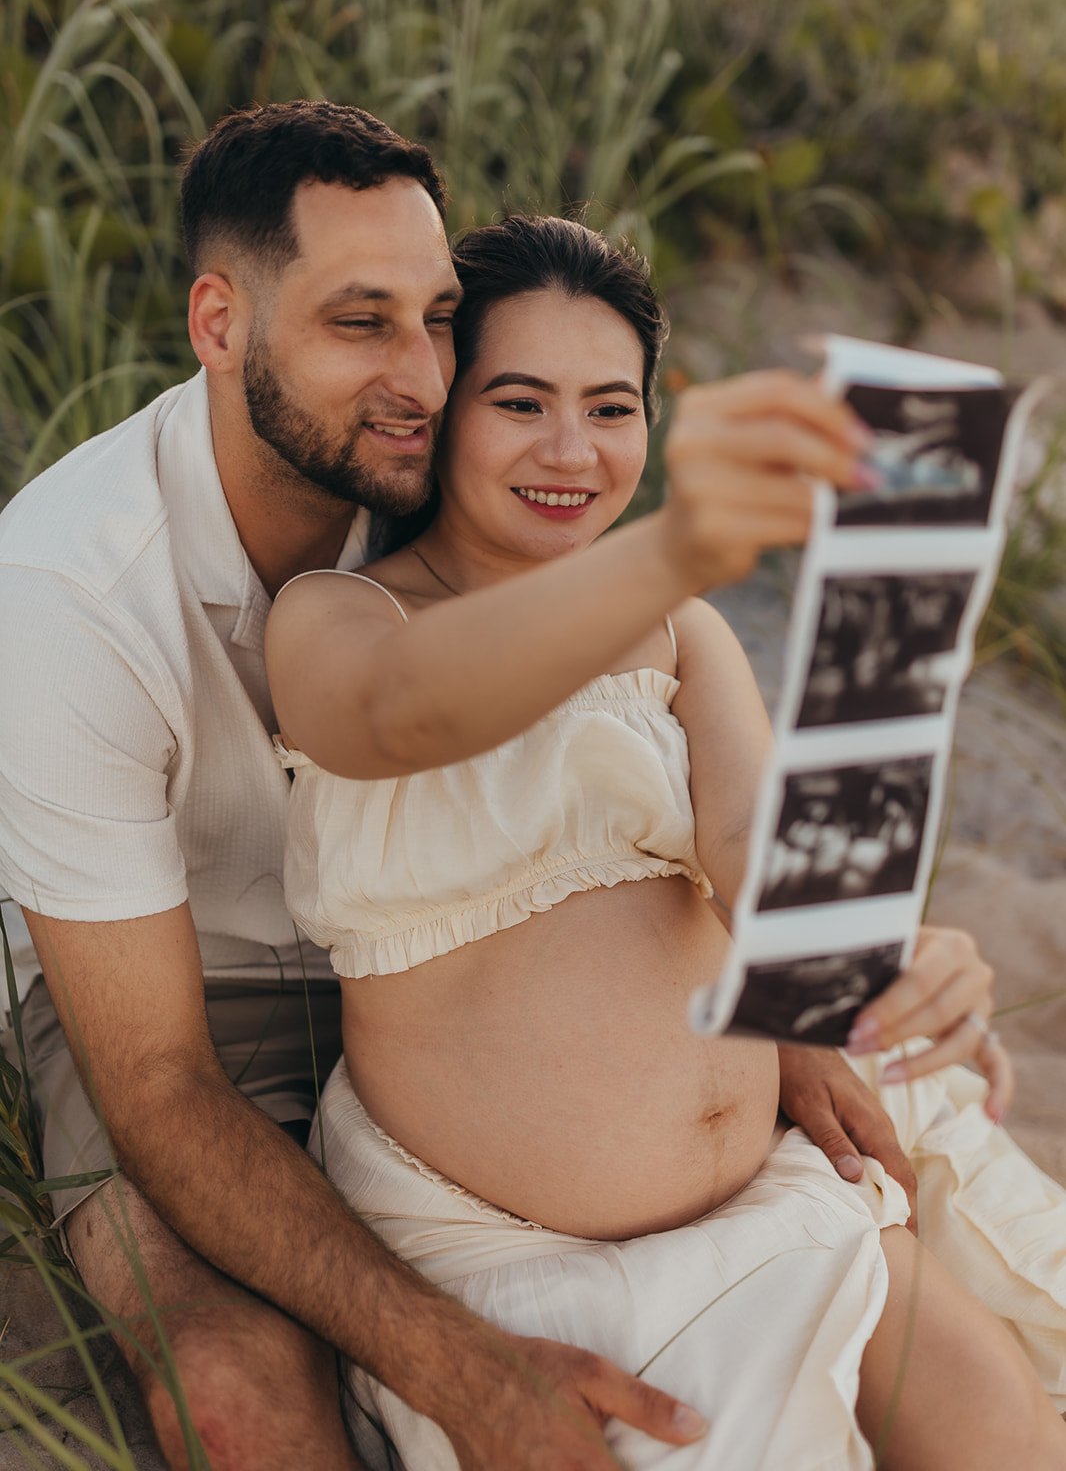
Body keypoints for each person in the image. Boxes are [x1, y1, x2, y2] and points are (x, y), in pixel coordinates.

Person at [0, 98, 938, 1471]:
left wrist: (786, 1002)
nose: (422, 376)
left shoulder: (440, 463)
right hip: (179, 995)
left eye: (436, 316)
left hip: (445, 985)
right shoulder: (62, 598)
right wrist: (461, 1367)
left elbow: (695, 789)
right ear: (218, 326)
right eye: (357, 320)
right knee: (237, 1392)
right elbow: (158, 1085)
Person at [264, 214, 1066, 1470]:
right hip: (515, 1256)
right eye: (519, 401)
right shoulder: (339, 619)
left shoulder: (686, 631)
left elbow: (757, 852)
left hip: (778, 1197)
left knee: (1004, 1435)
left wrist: (890, 950)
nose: (572, 452)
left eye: (612, 406)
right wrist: (675, 545)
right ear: (439, 412)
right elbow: (403, 710)